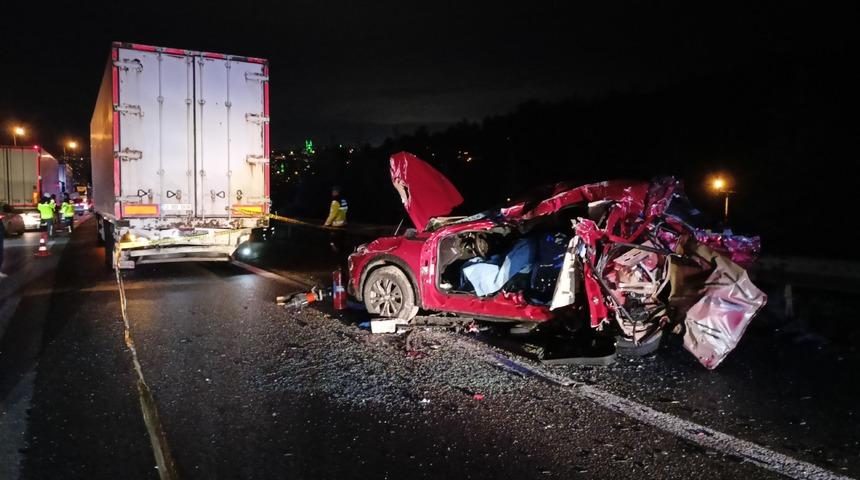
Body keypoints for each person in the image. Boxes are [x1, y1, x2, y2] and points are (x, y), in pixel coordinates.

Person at [323, 186, 349, 265]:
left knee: (333, 244)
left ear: (336, 192)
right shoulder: (343, 200)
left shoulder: (335, 202)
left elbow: (332, 214)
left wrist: (326, 224)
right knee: (342, 245)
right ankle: (343, 262)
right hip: (344, 225)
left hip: (336, 226)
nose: (332, 193)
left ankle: (338, 262)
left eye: (333, 191)